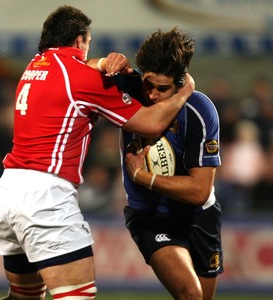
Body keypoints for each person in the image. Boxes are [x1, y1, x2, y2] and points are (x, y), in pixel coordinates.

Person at [0, 5, 194, 300]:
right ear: (81, 39)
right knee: (76, 296)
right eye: (89, 42)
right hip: (45, 198)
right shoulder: (82, 79)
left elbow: (82, 67)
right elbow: (151, 124)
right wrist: (185, 90)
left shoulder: (35, 66)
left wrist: (103, 63)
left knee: (23, 297)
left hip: (8, 193)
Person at [118, 28, 223, 300]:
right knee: (191, 294)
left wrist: (143, 177)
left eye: (162, 88)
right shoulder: (127, 89)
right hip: (152, 215)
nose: (151, 95)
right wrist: (105, 62)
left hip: (199, 216)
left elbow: (199, 190)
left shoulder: (200, 112)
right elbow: (82, 72)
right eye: (148, 84)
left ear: (179, 83)